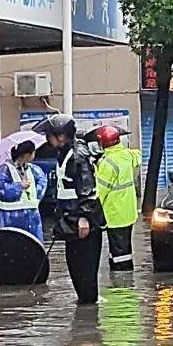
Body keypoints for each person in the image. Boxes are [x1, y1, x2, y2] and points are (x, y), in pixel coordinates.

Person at [42, 114, 107, 305]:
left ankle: (89, 320)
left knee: (84, 272)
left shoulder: (78, 156)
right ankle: (84, 310)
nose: (48, 139)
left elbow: (87, 188)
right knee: (75, 268)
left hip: (82, 222)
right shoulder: (64, 153)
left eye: (51, 135)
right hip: (70, 220)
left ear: (61, 136)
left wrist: (84, 218)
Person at [94, 125, 142, 272]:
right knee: (124, 246)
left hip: (114, 213)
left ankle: (121, 282)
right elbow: (138, 156)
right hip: (129, 210)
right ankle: (124, 277)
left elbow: (100, 192)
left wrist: (92, 212)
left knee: (119, 251)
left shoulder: (107, 163)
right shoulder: (127, 155)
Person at [0, 140, 48, 241]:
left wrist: (36, 195)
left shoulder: (33, 169)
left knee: (33, 245)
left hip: (31, 215)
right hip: (11, 217)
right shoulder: (5, 169)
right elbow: (1, 188)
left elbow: (43, 181)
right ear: (27, 154)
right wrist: (19, 186)